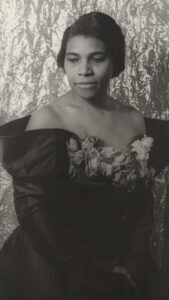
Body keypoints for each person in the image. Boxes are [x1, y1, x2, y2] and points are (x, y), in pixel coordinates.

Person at [0, 11, 169, 300]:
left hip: (119, 261)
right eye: (73, 58)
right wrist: (89, 274)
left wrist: (131, 263)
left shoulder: (133, 119)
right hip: (54, 264)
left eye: (97, 58)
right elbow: (34, 212)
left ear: (115, 61)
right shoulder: (47, 119)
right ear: (63, 62)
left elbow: (141, 202)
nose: (84, 70)